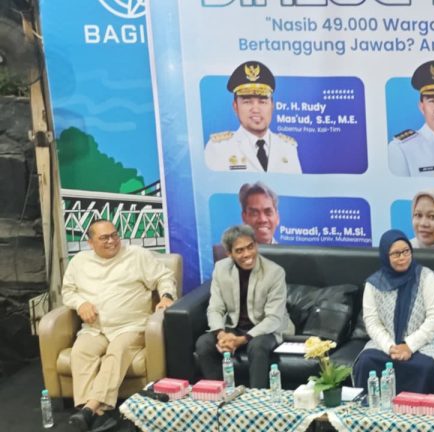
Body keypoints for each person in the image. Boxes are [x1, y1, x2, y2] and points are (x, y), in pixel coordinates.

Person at [63, 219, 176, 432]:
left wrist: (166, 296)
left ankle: (89, 409)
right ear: (90, 243)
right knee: (80, 352)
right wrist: (80, 304)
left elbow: (164, 277)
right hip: (94, 328)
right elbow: (68, 291)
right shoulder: (79, 262)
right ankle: (97, 415)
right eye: (104, 237)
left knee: (117, 351)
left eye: (114, 235)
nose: (112, 241)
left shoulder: (137, 255)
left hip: (131, 326)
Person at [353, 229, 434, 394]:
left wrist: (409, 346)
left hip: (428, 341)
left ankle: (420, 410)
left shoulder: (427, 278)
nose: (402, 257)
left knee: (425, 366)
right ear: (385, 256)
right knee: (366, 361)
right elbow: (372, 322)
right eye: (396, 254)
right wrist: (390, 347)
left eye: (406, 251)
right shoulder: (373, 285)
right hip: (388, 341)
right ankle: (372, 409)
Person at [195, 224, 294, 388]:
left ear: (256, 245)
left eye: (250, 247)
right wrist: (221, 335)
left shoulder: (275, 272)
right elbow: (215, 308)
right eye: (239, 250)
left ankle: (257, 397)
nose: (247, 254)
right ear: (229, 253)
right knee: (203, 344)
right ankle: (219, 394)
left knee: (257, 346)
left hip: (267, 329)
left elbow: (273, 318)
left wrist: (241, 340)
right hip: (235, 327)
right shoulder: (221, 269)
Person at [204, 61, 302, 173]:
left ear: (272, 106)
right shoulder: (219, 148)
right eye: (247, 102)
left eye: (262, 102)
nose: (255, 109)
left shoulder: (288, 147)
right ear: (235, 106)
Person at [213, 181, 280, 261]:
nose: (262, 219)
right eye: (254, 213)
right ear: (244, 217)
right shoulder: (221, 255)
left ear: (277, 217)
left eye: (268, 212)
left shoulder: (289, 257)